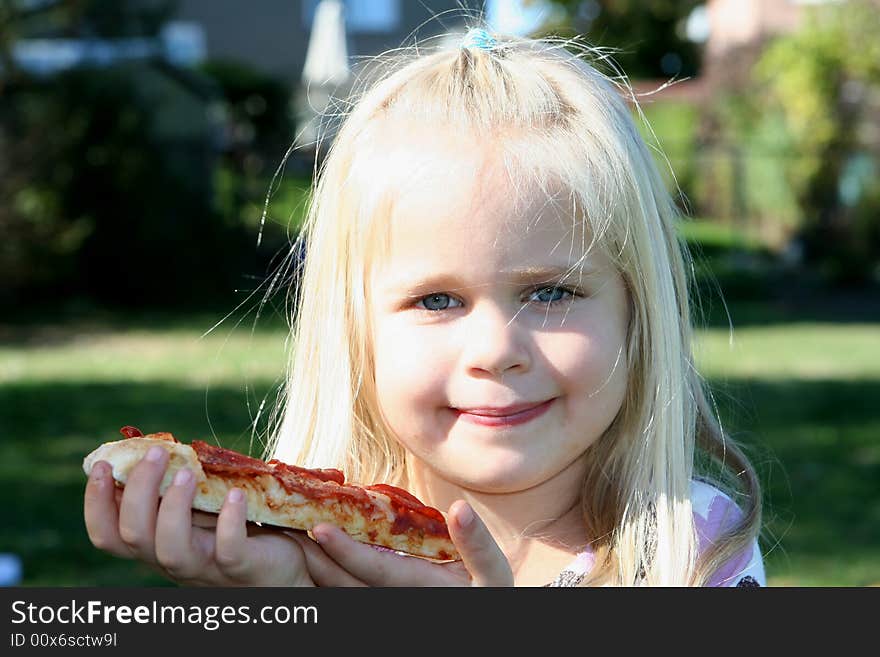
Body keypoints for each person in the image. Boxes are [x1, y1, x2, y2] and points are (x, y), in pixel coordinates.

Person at [84, 26, 766, 587]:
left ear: (635, 313)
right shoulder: (303, 554)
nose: (497, 349)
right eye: (437, 299)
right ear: (357, 334)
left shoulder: (695, 550)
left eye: (551, 291)